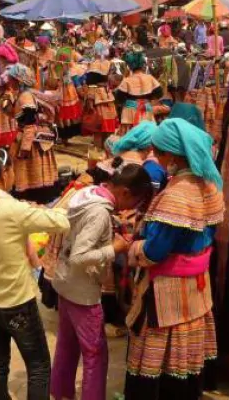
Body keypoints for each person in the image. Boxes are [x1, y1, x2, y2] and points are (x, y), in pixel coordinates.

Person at [125, 119, 224, 399]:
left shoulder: (177, 196)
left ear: (173, 155)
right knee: (187, 346)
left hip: (168, 287)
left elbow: (156, 251)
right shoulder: (209, 184)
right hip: (196, 284)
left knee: (160, 352)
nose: (158, 159)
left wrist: (134, 248)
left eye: (161, 153)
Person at [0, 146, 70, 400]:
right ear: (5, 173)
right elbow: (62, 222)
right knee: (38, 366)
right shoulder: (13, 210)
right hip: (16, 304)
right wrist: (71, 199)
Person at [51, 165, 155, 400]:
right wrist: (114, 248)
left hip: (64, 281)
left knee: (67, 345)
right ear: (126, 192)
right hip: (82, 291)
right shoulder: (99, 212)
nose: (131, 209)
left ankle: (61, 393)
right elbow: (80, 256)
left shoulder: (87, 194)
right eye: (134, 202)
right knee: (95, 353)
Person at [9, 65, 60, 203]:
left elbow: (29, 123)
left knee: (27, 173)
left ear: (18, 80)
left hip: (31, 141)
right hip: (38, 140)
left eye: (11, 78)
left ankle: (33, 198)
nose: (9, 80)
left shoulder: (25, 96)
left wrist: (25, 147)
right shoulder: (28, 94)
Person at [115, 49, 162, 134]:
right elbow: (159, 92)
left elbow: (119, 97)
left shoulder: (127, 80)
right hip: (146, 109)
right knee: (147, 131)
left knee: (130, 134)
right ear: (142, 65)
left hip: (130, 111)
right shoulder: (150, 77)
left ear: (130, 66)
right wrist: (149, 99)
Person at [82, 43, 119, 149]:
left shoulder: (93, 64)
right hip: (108, 96)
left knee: (98, 128)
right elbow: (115, 82)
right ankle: (108, 151)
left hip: (97, 97)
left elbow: (91, 83)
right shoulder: (110, 64)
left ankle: (98, 152)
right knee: (109, 128)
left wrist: (89, 99)